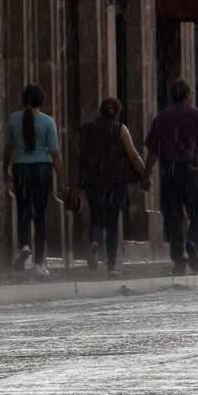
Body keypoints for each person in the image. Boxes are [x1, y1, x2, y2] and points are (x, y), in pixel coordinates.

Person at [141, 79, 198, 275]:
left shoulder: (161, 118)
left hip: (169, 172)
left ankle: (178, 257)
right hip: (193, 170)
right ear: (188, 95)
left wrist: (146, 173)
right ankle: (193, 241)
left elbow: (153, 150)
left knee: (173, 216)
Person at [75, 98, 145, 275]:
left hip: (93, 182)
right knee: (113, 223)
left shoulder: (90, 129)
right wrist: (145, 174)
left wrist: (76, 181)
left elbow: (80, 156)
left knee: (97, 219)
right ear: (118, 112)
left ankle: (95, 242)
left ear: (100, 111)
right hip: (115, 183)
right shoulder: (121, 129)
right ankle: (111, 265)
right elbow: (133, 154)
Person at [2, 84, 64, 276]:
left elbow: (8, 149)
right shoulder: (48, 122)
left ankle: (24, 246)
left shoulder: (13, 119)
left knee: (23, 211)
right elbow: (55, 153)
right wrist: (61, 178)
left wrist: (5, 169)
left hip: (21, 168)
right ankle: (38, 263)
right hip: (42, 170)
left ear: (23, 99)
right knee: (40, 215)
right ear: (41, 101)